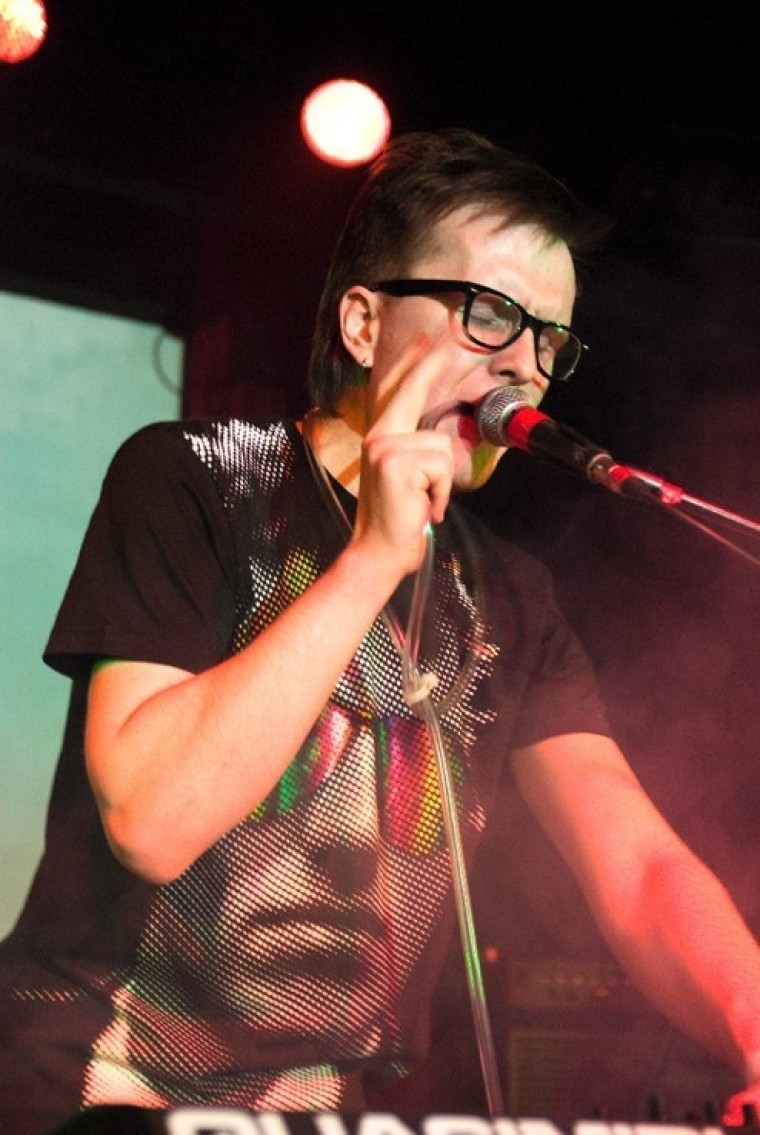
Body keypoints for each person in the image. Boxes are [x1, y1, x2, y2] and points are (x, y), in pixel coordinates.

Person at [1, 128, 758, 1135]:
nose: (524, 365)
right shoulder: (197, 478)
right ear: (363, 322)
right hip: (90, 1100)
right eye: (489, 314)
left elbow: (638, 866)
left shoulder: (511, 596)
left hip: (327, 1115)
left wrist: (754, 1028)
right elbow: (150, 818)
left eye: (550, 339)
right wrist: (369, 561)